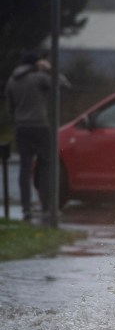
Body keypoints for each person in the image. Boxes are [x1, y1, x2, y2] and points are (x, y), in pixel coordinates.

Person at [5, 50, 56, 222]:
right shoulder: (39, 77)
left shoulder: (12, 80)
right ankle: (46, 205)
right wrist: (48, 70)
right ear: (36, 63)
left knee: (24, 168)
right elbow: (62, 84)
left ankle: (26, 207)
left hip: (21, 128)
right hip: (40, 127)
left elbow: (10, 107)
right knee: (45, 166)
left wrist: (19, 118)